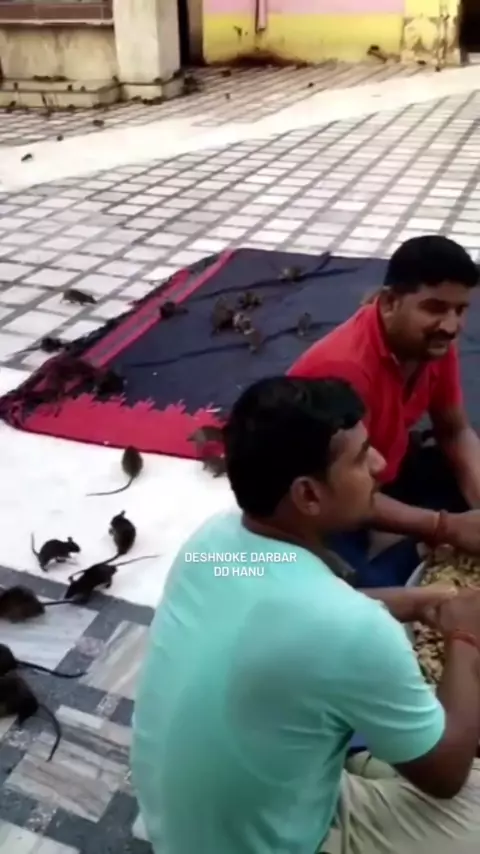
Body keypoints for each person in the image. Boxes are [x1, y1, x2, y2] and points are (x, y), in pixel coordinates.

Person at [131, 376, 480, 854]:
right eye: (361, 458)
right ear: (308, 495)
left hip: (186, 823)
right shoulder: (351, 628)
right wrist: (464, 636)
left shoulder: (216, 544)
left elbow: (300, 606)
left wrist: (419, 601)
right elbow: (444, 775)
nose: (380, 465)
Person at [288, 235, 480, 586]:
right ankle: (415, 550)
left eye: (460, 310)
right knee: (362, 595)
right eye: (435, 308)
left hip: (381, 471)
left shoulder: (433, 342)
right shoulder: (342, 369)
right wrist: (445, 526)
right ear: (390, 302)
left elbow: (453, 430)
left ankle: (421, 540)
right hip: (327, 500)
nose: (451, 326)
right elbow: (339, 491)